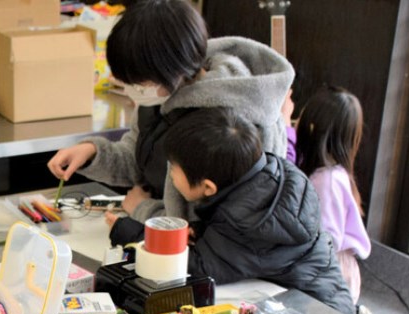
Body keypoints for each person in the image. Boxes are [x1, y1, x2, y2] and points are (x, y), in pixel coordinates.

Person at [47, 0, 293, 228]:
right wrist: (92, 153)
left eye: (138, 82)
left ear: (170, 69)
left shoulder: (225, 124)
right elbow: (139, 160)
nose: (133, 90)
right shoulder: (161, 94)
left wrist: (141, 209)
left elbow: (207, 230)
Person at [158, 107, 355, 314]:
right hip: (323, 301)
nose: (170, 174)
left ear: (208, 187)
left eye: (173, 168)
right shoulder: (273, 173)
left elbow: (198, 267)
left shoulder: (242, 219)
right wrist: (199, 230)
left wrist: (127, 230)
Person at [296, 85, 371, 306]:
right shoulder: (334, 172)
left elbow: (328, 239)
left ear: (311, 127)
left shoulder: (326, 180)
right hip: (333, 267)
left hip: (331, 271)